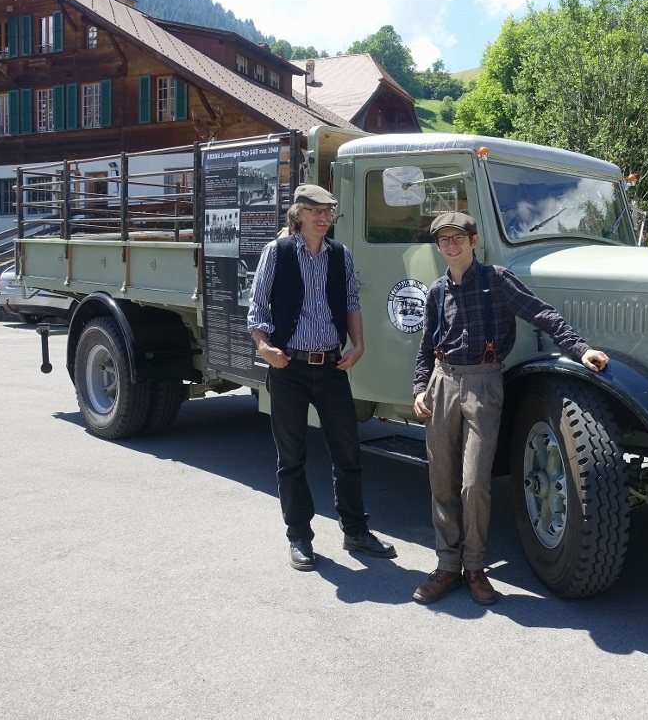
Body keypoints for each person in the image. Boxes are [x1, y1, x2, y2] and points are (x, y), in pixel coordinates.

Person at [411, 212, 608, 605]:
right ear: (439, 247)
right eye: (444, 241)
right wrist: (420, 388)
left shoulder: (496, 280)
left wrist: (581, 349)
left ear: (473, 240)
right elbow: (424, 347)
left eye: (457, 239)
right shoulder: (436, 291)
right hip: (443, 383)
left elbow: (542, 314)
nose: (451, 246)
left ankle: (475, 566)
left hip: (484, 384)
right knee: (442, 480)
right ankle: (447, 566)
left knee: (474, 483)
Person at [248, 184, 396, 571]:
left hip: (331, 367)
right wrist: (264, 348)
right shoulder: (277, 252)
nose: (324, 217)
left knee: (348, 453)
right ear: (299, 214)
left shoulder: (340, 255)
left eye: (329, 211)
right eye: (316, 211)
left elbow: (351, 302)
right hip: (289, 368)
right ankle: (299, 537)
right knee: (291, 459)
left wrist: (359, 344)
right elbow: (258, 306)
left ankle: (355, 531)